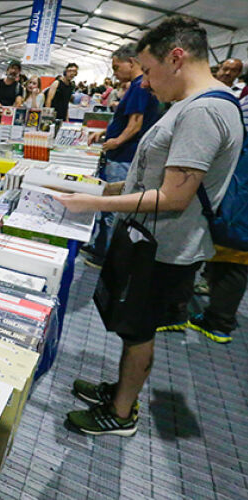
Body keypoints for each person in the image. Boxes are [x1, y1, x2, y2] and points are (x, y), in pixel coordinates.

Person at [58, 16, 242, 436]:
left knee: (139, 328)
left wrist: (89, 202)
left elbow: (173, 197)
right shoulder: (192, 105)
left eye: (148, 71)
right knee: (132, 325)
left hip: (163, 246)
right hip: (151, 238)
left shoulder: (206, 111)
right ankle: (121, 391)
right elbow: (159, 178)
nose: (143, 83)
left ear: (176, 58)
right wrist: (106, 190)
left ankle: (120, 414)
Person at [82, 43, 161, 268]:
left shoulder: (138, 87)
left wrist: (116, 141)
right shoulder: (135, 86)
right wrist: (105, 132)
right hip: (122, 153)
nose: (115, 73)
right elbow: (125, 121)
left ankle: (103, 254)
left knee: (112, 207)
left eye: (117, 67)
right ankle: (99, 246)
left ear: (132, 62)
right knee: (107, 203)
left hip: (125, 155)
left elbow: (135, 123)